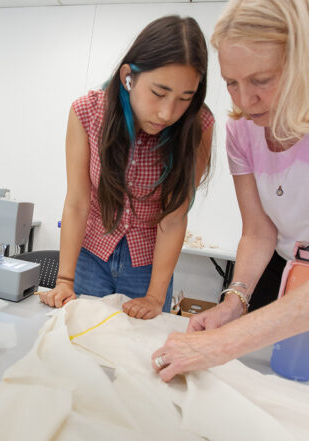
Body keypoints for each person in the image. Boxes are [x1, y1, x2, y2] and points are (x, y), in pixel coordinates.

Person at [152, 0, 309, 382]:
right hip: (283, 272)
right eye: (231, 82)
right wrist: (235, 301)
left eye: (261, 81)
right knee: (261, 386)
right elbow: (259, 231)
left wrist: (223, 343)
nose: (243, 100)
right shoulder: (243, 127)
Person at [39, 15, 214, 319]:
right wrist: (65, 280)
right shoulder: (88, 112)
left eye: (184, 98)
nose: (167, 113)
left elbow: (173, 218)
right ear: (128, 77)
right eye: (158, 93)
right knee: (80, 345)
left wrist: (155, 297)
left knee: (138, 353)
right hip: (90, 255)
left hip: (149, 268)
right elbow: (78, 202)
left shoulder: (197, 126)